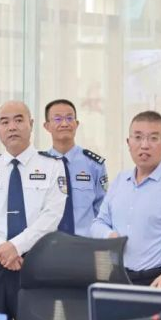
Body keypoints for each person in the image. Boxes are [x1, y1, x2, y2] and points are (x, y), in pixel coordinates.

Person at [0, 101, 66, 320]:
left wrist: (17, 246)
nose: (12, 127)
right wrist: (1, 247)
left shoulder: (52, 167)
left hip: (34, 263)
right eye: (5, 122)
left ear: (31, 124)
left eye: (19, 120)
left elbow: (51, 216)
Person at [92, 111, 161, 287]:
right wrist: (109, 235)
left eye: (153, 138)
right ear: (128, 143)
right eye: (138, 137)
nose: (144, 145)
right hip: (119, 278)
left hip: (160, 281)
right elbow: (98, 223)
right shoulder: (120, 181)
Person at [43, 99, 108, 236]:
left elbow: (102, 209)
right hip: (49, 243)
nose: (64, 123)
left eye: (69, 118)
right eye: (58, 119)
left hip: (85, 242)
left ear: (76, 124)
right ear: (47, 126)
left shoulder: (94, 165)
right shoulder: (40, 165)